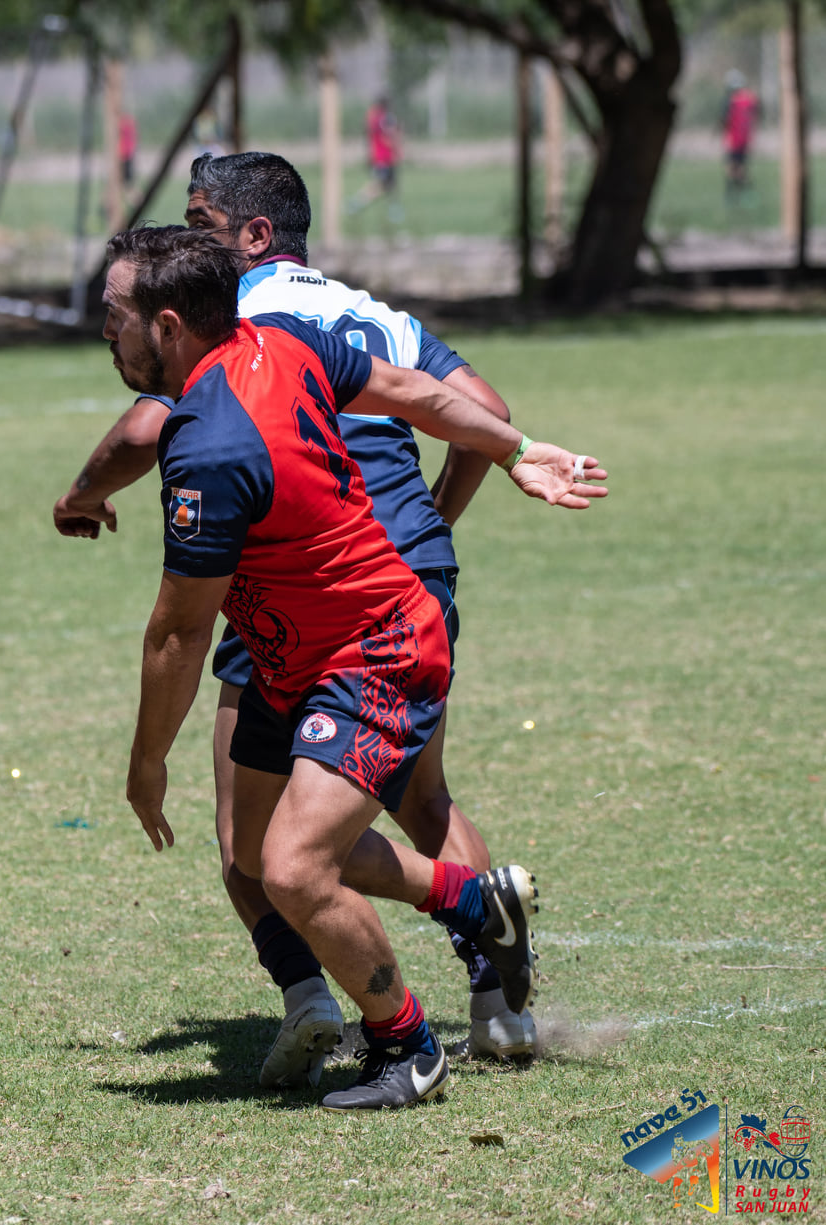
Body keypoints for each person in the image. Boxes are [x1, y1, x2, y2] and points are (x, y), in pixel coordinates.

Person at [55, 151, 541, 1081]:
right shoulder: (346, 315)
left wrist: (76, 495)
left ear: (251, 236)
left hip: (334, 597)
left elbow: (175, 619)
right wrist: (476, 483)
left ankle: (369, 1018)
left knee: (276, 852)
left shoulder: (233, 347)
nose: (189, 241)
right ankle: (491, 985)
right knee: (394, 807)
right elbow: (463, 401)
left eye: (199, 224)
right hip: (376, 575)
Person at [349, 97, 402, 225]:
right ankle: (355, 204)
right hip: (383, 158)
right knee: (379, 185)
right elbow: (386, 137)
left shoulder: (373, 118)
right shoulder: (382, 119)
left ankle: (394, 212)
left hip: (381, 157)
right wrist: (395, 147)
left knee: (391, 185)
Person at [722, 71, 760, 207]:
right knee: (741, 169)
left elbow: (725, 120)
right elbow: (757, 113)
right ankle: (742, 196)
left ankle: (734, 197)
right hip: (745, 140)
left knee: (732, 170)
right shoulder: (750, 99)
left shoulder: (731, 101)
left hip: (733, 140)